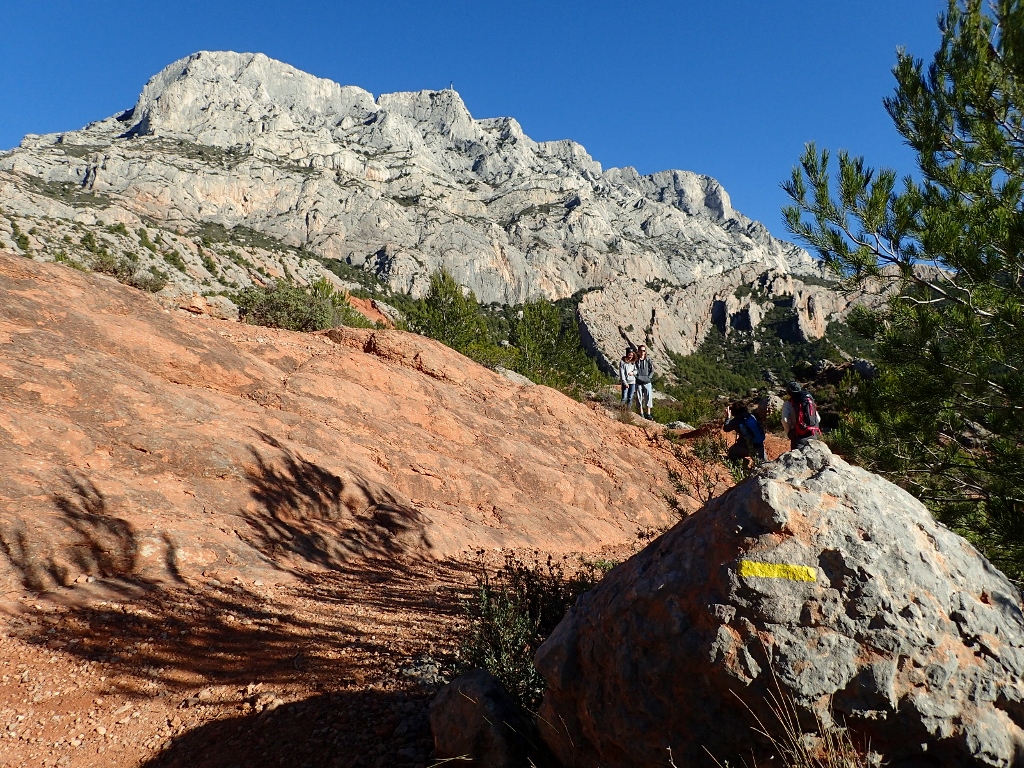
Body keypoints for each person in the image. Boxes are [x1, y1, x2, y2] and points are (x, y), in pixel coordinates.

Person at [781, 381, 822, 449]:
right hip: (812, 434)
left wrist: (789, 432)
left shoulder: (788, 404)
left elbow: (785, 420)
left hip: (798, 436)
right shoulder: (808, 400)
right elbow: (818, 419)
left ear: (788, 392)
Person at [634, 345, 654, 420]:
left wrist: (649, 377)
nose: (642, 352)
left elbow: (652, 370)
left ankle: (648, 414)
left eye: (644, 350)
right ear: (638, 351)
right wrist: (636, 377)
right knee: (639, 398)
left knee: (648, 398)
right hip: (638, 382)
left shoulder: (648, 360)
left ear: (645, 352)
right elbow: (633, 370)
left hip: (647, 382)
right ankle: (641, 413)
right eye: (641, 350)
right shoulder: (636, 361)